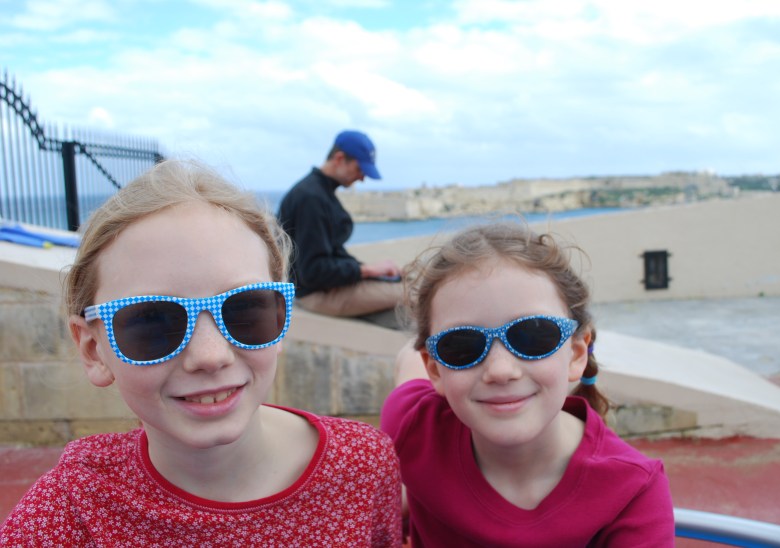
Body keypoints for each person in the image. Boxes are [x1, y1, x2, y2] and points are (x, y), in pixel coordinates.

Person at [0, 160, 402, 546]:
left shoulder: (363, 467)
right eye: (152, 321)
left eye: (246, 309)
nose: (210, 356)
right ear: (93, 349)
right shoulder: (69, 512)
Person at [381, 222, 675, 547]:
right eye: (461, 344)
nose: (501, 370)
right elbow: (409, 358)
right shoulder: (416, 426)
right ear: (434, 370)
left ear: (576, 354)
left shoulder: (631, 489)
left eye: (534, 335)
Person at [277, 130, 403, 323]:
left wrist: (370, 271)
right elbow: (313, 271)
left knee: (415, 281)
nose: (362, 178)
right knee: (415, 293)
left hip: (326, 287)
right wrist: (368, 270)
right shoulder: (311, 198)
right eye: (360, 169)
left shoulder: (318, 192)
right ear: (339, 158)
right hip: (315, 294)